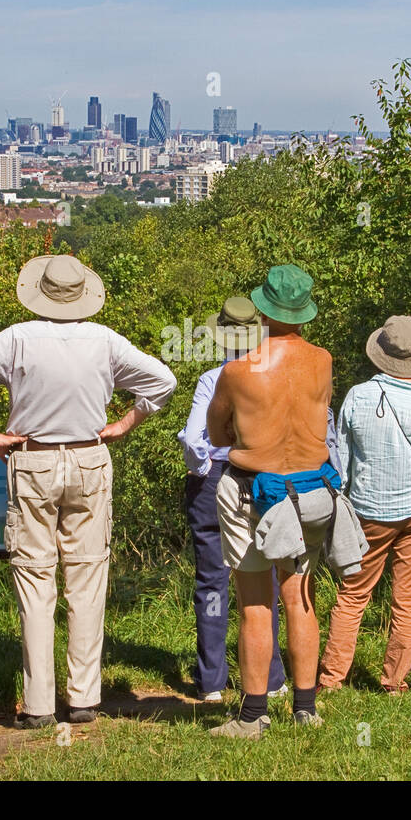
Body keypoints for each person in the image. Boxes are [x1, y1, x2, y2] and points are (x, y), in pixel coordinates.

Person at [0, 254, 177, 727]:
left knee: (35, 579)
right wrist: (126, 423)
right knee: (87, 579)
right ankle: (83, 699)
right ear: (82, 296)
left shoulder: (16, 338)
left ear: (39, 293)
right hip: (90, 458)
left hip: (33, 459)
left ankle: (36, 705)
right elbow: (163, 381)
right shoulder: (105, 341)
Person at [205, 264, 334, 737]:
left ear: (261, 310)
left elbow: (216, 433)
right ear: (304, 312)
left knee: (256, 605)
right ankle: (305, 708)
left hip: (249, 489)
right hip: (309, 491)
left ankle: (253, 716)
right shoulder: (323, 360)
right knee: (300, 596)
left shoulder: (239, 371)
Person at [319, 315, 411, 694]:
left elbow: (343, 460)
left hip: (369, 511)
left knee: (352, 595)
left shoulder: (358, 396)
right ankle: (393, 682)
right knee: (408, 597)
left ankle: (330, 679)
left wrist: (341, 505)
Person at [177, 296, 289, 702]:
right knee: (264, 577)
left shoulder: (213, 378)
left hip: (216, 480)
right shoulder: (276, 374)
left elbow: (193, 438)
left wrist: (204, 469)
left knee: (212, 581)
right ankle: (272, 678)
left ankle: (211, 682)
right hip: (263, 477)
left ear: (222, 336)